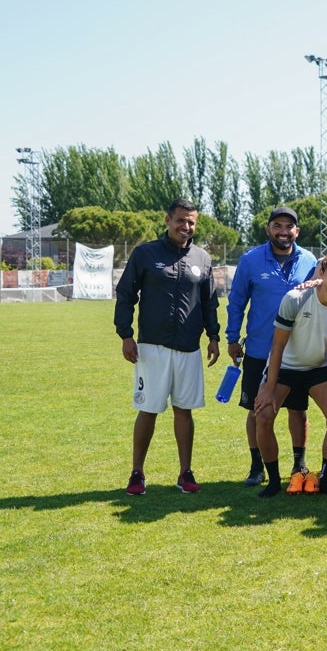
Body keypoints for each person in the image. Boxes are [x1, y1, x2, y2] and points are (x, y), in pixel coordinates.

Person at [115, 198, 220, 495]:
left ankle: (185, 473)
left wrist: (213, 336)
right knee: (148, 409)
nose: (186, 227)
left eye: (191, 223)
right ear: (167, 220)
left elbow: (209, 301)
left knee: (184, 410)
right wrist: (126, 334)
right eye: (181, 221)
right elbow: (125, 294)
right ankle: (137, 473)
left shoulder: (202, 258)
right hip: (152, 347)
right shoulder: (145, 254)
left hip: (189, 348)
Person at [253, 251, 327, 498]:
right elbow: (278, 347)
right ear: (321, 273)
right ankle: (273, 481)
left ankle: (325, 479)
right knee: (263, 417)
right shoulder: (295, 298)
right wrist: (269, 387)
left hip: (317, 368)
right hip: (285, 366)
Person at [225, 206, 318, 486]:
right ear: (268, 229)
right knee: (257, 410)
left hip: (296, 352)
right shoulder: (250, 260)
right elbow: (237, 301)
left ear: (297, 232)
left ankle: (299, 464)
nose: (283, 231)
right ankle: (257, 466)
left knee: (297, 410)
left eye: (289, 227)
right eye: (277, 225)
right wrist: (232, 337)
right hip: (258, 350)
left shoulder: (310, 260)